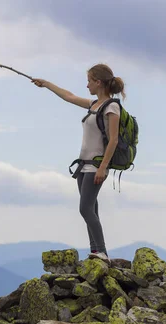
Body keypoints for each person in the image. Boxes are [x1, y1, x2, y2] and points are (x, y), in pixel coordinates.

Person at [31, 64, 126, 262]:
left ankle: (101, 252)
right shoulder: (93, 105)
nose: (87, 85)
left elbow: (114, 140)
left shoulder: (112, 107)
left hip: (96, 166)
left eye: (90, 81)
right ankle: (96, 251)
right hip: (83, 166)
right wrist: (46, 84)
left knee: (85, 209)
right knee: (92, 208)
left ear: (98, 82)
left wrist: (102, 168)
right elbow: (69, 96)